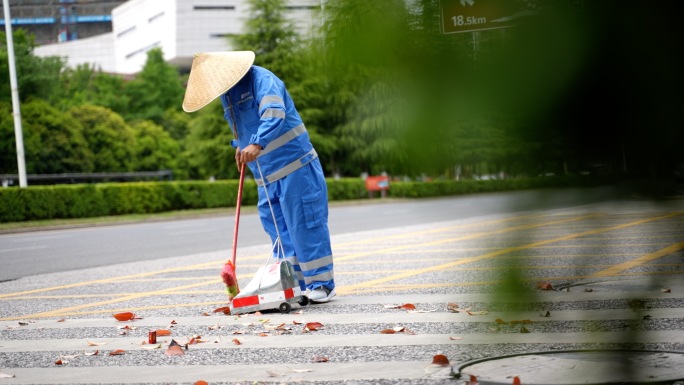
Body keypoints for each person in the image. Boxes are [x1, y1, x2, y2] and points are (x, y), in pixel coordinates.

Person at [182, 51, 335, 303]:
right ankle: (294, 284)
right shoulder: (227, 96)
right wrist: (238, 146)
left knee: (305, 226)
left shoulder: (262, 79)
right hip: (265, 176)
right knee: (279, 233)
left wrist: (258, 143)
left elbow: (274, 113)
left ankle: (322, 284)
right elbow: (242, 128)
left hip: (295, 167)